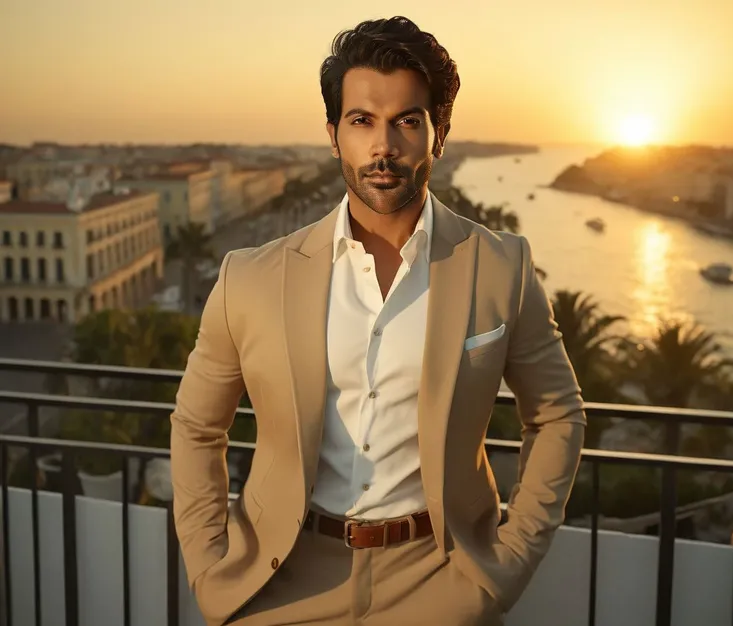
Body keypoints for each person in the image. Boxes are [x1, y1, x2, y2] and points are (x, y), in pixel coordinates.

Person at [170, 15, 586, 626]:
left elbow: (557, 415)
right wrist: (209, 565)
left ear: (437, 135)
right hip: (280, 580)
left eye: (407, 122)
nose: (383, 146)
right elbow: (196, 426)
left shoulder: (500, 268)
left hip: (440, 581)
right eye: (362, 121)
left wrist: (508, 562)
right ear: (334, 134)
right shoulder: (250, 277)